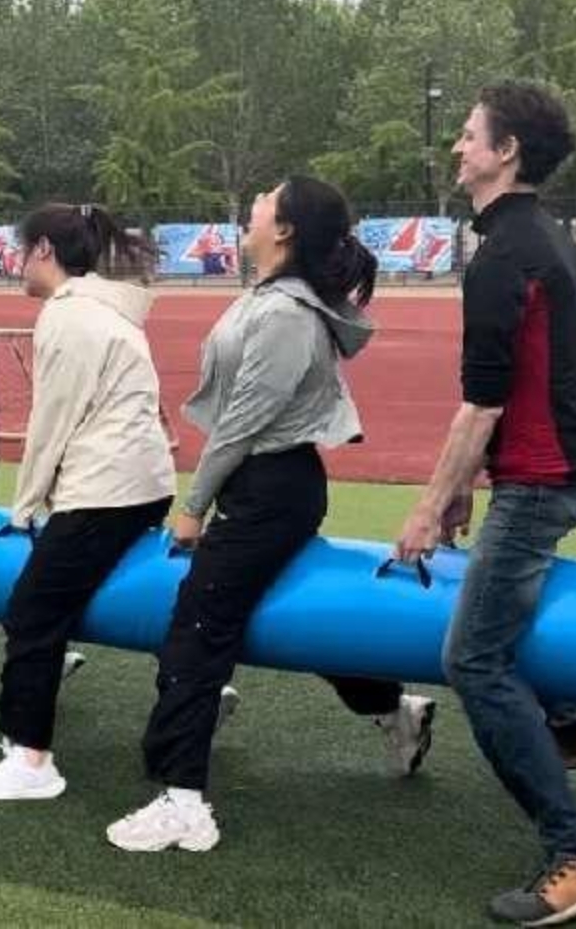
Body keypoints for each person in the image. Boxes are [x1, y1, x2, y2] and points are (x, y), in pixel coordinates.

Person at [107, 175, 431, 853]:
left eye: (264, 199)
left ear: (283, 229)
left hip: (270, 486)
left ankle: (183, 801)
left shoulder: (285, 313)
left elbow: (243, 423)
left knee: (197, 627)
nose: (252, 205)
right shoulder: (270, 296)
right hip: (266, 485)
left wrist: (193, 507)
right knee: (271, 612)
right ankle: (392, 708)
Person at [393, 82, 576, 925]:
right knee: (499, 612)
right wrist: (466, 489)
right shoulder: (540, 237)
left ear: (507, 152)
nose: (457, 148)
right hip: (565, 464)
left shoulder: (503, 257)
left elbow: (482, 404)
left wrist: (430, 507)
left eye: (469, 135)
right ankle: (568, 725)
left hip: (543, 477)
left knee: (472, 659)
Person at [0, 203, 176, 801]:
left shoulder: (68, 314)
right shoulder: (105, 309)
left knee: (32, 612)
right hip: (142, 482)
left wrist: (25, 506)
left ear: (44, 251)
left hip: (106, 486)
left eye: (20, 250)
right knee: (100, 593)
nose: (16, 262)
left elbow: (54, 420)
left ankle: (30, 759)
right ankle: (193, 690)